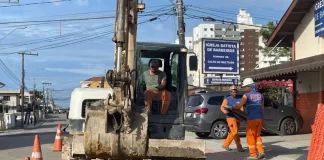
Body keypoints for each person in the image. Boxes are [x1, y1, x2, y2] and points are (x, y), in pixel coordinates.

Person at [224, 78, 265, 160]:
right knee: (257, 136)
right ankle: (261, 152)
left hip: (252, 119)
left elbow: (239, 106)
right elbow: (262, 107)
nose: (245, 89)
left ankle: (253, 155)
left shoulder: (246, 95)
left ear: (249, 86)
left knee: (250, 136)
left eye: (245, 87)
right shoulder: (261, 95)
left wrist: (232, 107)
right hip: (260, 118)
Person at [220, 85, 244, 152]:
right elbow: (222, 107)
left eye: (235, 92)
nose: (234, 93)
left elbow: (241, 107)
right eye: (233, 92)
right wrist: (226, 111)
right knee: (235, 132)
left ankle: (225, 144)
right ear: (230, 92)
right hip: (230, 118)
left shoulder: (239, 99)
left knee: (232, 133)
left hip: (237, 118)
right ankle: (239, 147)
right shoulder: (227, 99)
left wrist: (241, 113)